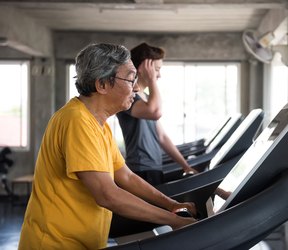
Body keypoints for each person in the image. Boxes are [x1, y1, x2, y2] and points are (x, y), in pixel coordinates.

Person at [18, 43, 196, 250]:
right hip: (55, 244)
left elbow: (126, 177)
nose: (137, 87)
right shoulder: (77, 121)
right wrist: (173, 220)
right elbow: (107, 194)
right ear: (102, 84)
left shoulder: (99, 124)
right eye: (131, 79)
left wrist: (171, 205)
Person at [116, 43, 197, 186]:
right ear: (144, 68)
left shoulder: (147, 98)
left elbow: (162, 137)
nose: (158, 75)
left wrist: (186, 166)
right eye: (156, 70)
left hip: (154, 168)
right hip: (140, 169)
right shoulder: (129, 97)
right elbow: (155, 112)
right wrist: (151, 79)